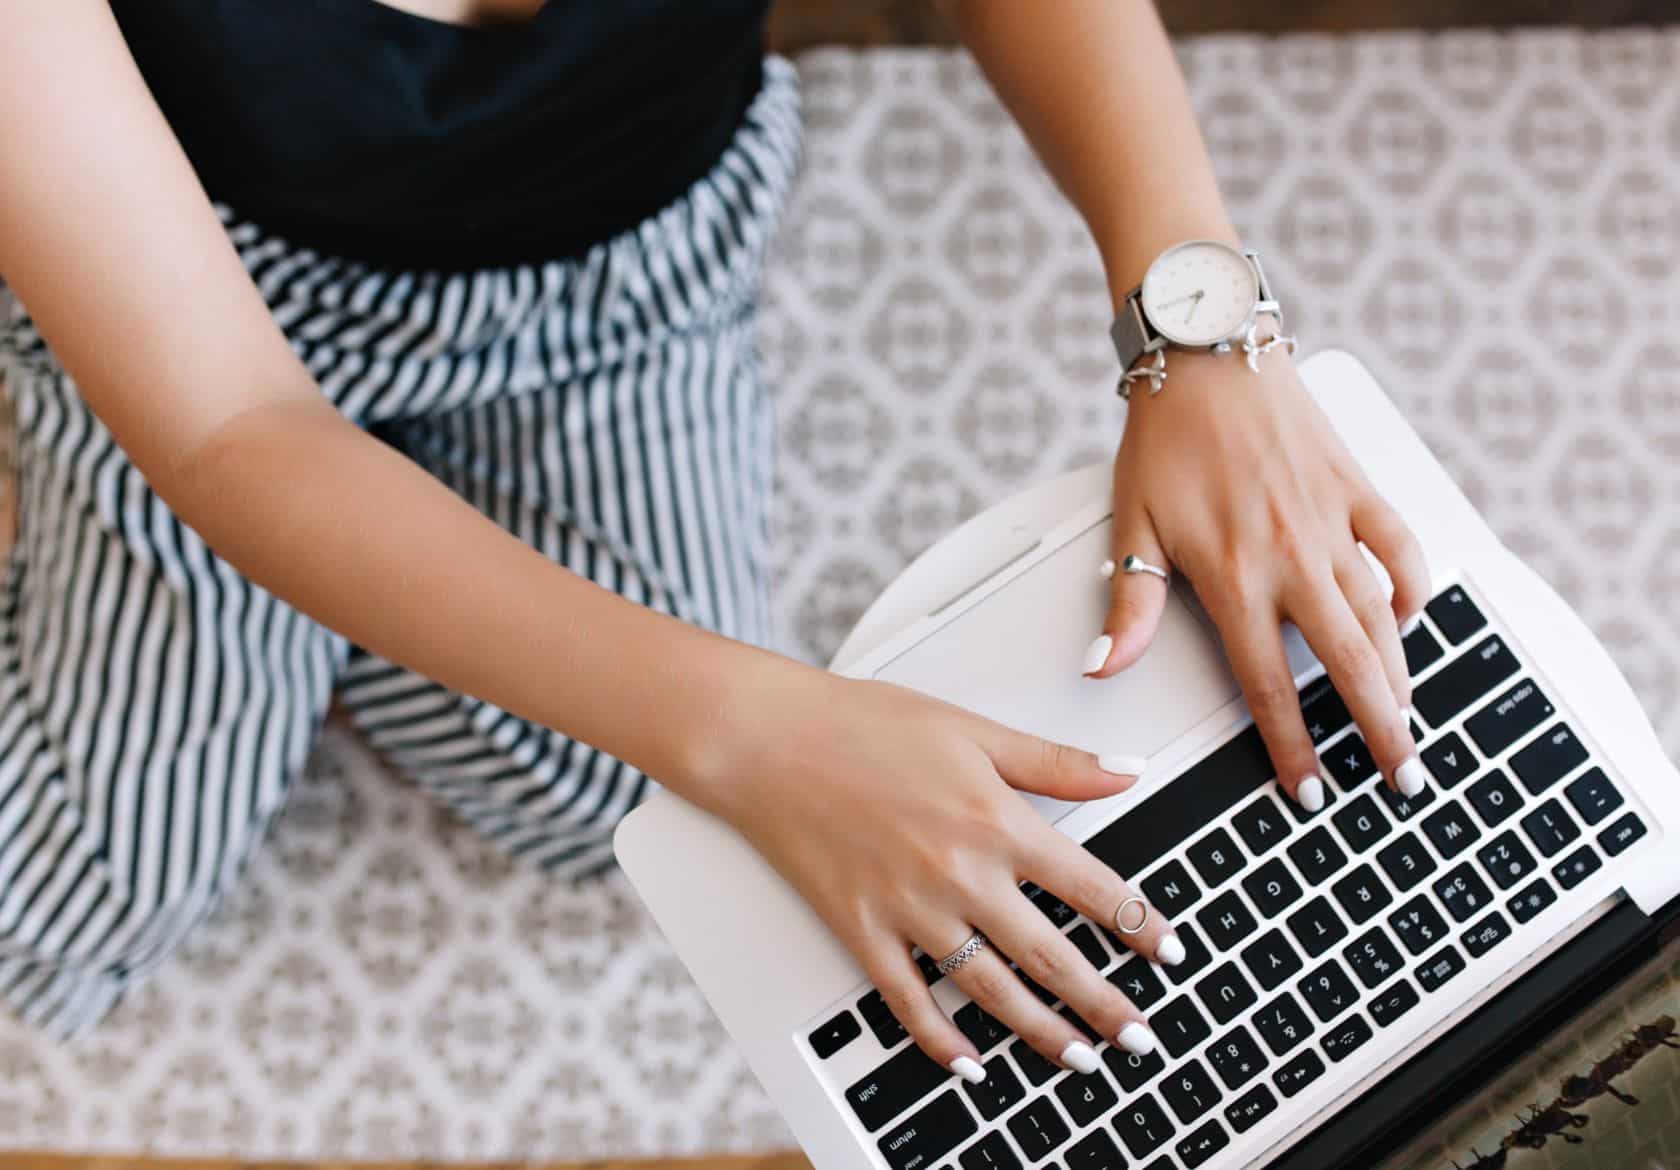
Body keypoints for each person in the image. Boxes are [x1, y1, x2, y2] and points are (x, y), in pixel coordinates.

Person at [0, 0, 1429, 1081]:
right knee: (76, 893)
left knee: (599, 801)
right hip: (185, 276)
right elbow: (231, 425)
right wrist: (763, 729)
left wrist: (1197, 317)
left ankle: (320, 553)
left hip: (622, 268)